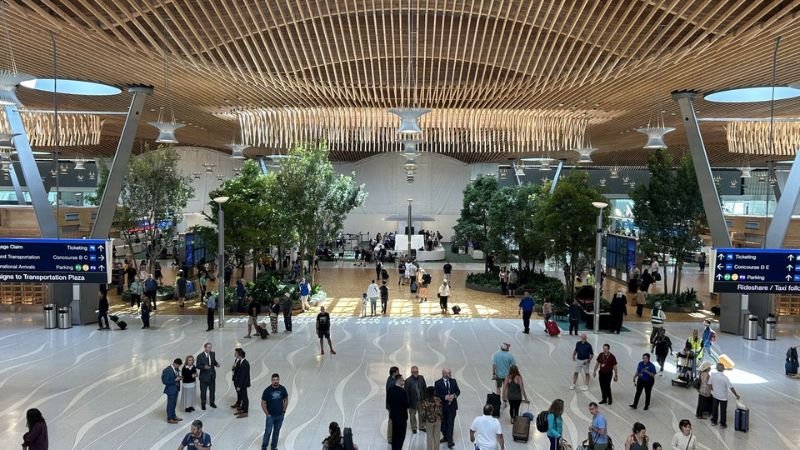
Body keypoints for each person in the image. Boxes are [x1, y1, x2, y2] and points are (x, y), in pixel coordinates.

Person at [261, 373, 289, 450]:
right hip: (270, 416)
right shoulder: (267, 391)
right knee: (268, 432)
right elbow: (263, 403)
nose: (275, 381)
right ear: (271, 381)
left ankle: (274, 447)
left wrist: (284, 411)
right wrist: (267, 414)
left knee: (276, 432)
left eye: (277, 379)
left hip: (280, 416)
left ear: (279, 380)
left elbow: (286, 399)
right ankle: (264, 447)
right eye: (274, 380)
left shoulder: (282, 389)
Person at [435, 368, 461, 448]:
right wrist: (445, 397)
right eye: (448, 373)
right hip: (442, 407)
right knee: (443, 423)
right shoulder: (438, 383)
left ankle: (450, 440)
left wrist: (454, 396)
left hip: (452, 407)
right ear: (443, 373)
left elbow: (458, 391)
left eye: (450, 372)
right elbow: (436, 394)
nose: (450, 374)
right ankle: (445, 436)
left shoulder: (453, 381)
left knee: (450, 423)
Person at [709, 362, 740, 428]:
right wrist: (736, 395)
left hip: (715, 395)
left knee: (715, 408)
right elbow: (731, 387)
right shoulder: (725, 378)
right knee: (723, 410)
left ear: (717, 368)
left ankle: (714, 421)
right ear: (723, 369)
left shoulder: (713, 375)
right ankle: (722, 424)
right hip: (723, 397)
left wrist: (713, 390)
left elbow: (709, 384)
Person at [387, 373, 409, 450]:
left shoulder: (390, 390)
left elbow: (388, 401)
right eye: (402, 380)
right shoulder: (402, 392)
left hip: (393, 417)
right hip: (402, 418)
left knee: (395, 435)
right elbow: (406, 405)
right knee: (401, 436)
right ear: (399, 381)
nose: (403, 382)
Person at [197, 342, 220, 410]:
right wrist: (204, 367)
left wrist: (216, 364)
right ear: (205, 347)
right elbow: (198, 366)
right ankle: (203, 404)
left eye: (211, 347)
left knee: (212, 391)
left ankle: (212, 402)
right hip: (204, 377)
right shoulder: (200, 356)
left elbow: (213, 361)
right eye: (208, 347)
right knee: (203, 391)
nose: (210, 349)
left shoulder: (213, 353)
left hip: (212, 376)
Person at [404, 365, 427, 434]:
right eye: (414, 372)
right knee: (412, 415)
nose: (415, 373)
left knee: (422, 414)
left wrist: (425, 399)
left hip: (421, 400)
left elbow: (424, 388)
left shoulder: (421, 378)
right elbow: (406, 393)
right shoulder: (407, 381)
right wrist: (407, 403)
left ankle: (422, 426)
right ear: (411, 372)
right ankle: (414, 427)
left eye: (416, 372)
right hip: (412, 401)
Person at [420, 386, 442, 450]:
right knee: (437, 437)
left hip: (429, 421)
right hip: (437, 420)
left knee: (429, 437)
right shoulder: (438, 400)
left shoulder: (425, 401)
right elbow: (441, 410)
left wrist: (423, 421)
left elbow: (423, 413)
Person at [162, 358, 183, 423]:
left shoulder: (176, 369)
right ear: (175, 363)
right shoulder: (167, 370)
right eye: (178, 365)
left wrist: (180, 378)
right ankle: (169, 418)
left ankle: (173, 416)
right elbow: (165, 381)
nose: (178, 367)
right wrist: (175, 380)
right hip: (171, 390)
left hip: (176, 389)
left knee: (174, 403)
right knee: (170, 404)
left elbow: (176, 377)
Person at [232, 348, 251, 418]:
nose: (235, 354)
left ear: (239, 355)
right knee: (243, 396)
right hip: (241, 383)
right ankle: (243, 409)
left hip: (243, 384)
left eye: (236, 353)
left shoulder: (244, 364)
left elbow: (242, 376)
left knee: (244, 397)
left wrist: (239, 386)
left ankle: (245, 412)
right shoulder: (241, 362)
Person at [385, 366, 400, 444]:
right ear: (394, 373)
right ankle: (390, 438)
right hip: (392, 406)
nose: (399, 373)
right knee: (391, 421)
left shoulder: (391, 379)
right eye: (397, 372)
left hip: (393, 405)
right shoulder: (391, 383)